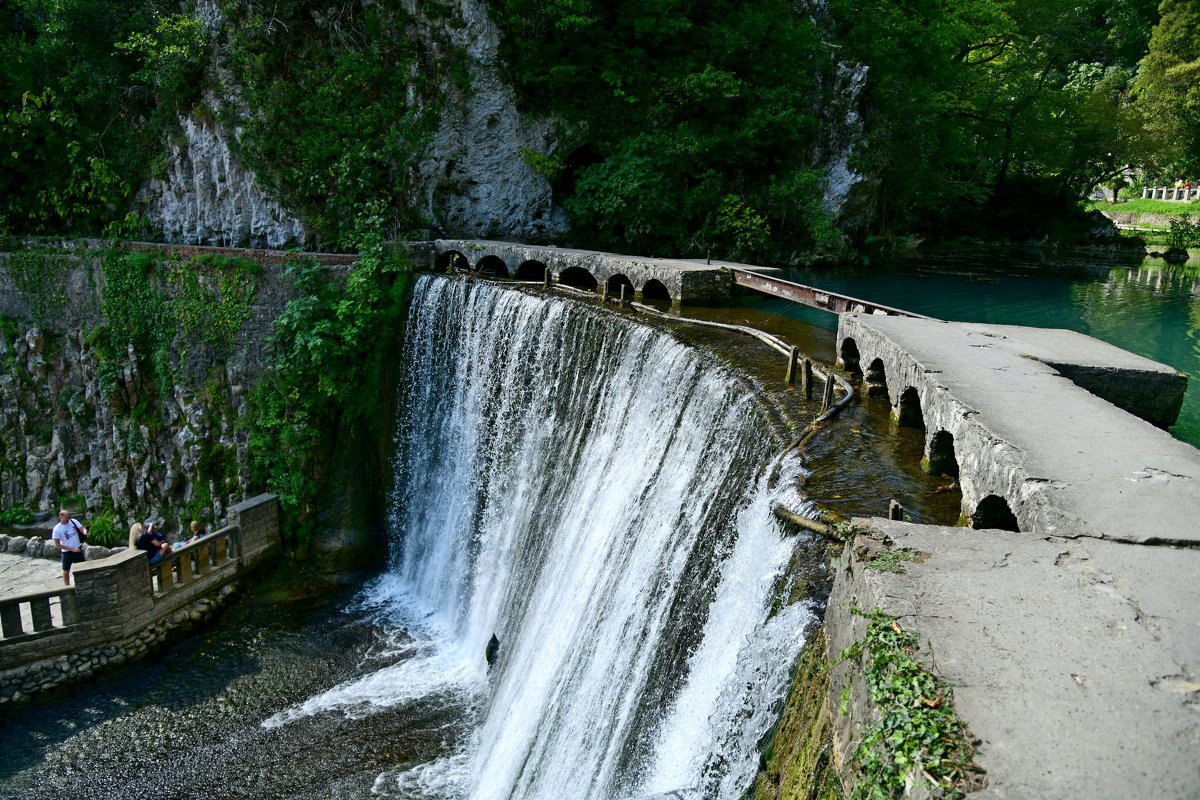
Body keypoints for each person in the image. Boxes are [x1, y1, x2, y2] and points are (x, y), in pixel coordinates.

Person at [51, 509, 88, 586]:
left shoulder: (73, 521)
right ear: (61, 517)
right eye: (66, 517)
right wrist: (72, 549)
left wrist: (85, 532)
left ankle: (84, 583)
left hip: (78, 549)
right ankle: (67, 586)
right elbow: (57, 544)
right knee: (66, 570)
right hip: (67, 552)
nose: (68, 519)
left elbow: (82, 528)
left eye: (68, 517)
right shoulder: (57, 529)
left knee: (83, 567)